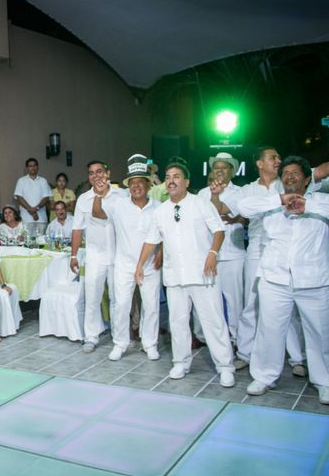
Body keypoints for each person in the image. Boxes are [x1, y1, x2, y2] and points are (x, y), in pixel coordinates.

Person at [135, 162, 236, 388]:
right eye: (168, 177)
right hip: (175, 276)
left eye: (177, 176)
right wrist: (140, 264)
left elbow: (219, 231)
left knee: (213, 322)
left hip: (203, 274)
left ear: (187, 182)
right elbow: (151, 240)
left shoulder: (201, 203)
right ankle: (181, 361)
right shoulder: (160, 211)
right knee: (177, 322)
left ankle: (225, 366)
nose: (171, 180)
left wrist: (212, 253)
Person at [238, 156, 329, 404]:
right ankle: (264, 377)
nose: (289, 176)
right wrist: (280, 199)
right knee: (270, 329)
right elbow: (243, 208)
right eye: (285, 173)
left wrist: (305, 205)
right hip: (274, 278)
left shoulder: (321, 202)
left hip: (313, 280)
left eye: (295, 173)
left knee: (320, 333)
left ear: (307, 179)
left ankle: (325, 382)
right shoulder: (271, 203)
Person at [218, 146, 307, 376]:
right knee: (252, 303)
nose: (278, 161)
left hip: (283, 251)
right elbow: (226, 209)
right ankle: (245, 354)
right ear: (259, 163)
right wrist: (215, 195)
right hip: (256, 251)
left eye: (278, 157)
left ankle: (296, 357)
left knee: (288, 304)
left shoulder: (286, 183)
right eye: (272, 158)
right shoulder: (248, 190)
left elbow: (316, 176)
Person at [94, 154, 162, 361]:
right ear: (128, 186)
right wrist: (98, 195)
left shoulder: (158, 207)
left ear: (148, 185)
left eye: (141, 182)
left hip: (150, 266)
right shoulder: (119, 205)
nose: (136, 186)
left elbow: (165, 233)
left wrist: (162, 252)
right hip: (124, 265)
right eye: (133, 183)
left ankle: (149, 343)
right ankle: (120, 343)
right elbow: (98, 213)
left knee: (151, 306)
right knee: (122, 305)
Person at [71, 160, 125, 353]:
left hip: (119, 255)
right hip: (94, 255)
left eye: (99, 171)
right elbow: (77, 229)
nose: (96, 176)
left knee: (117, 299)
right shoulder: (83, 199)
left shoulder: (121, 195)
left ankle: (119, 338)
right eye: (92, 173)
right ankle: (91, 337)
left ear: (107, 173)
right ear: (89, 177)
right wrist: (73, 255)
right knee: (92, 297)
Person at [199, 152, 246, 348]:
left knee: (235, 302)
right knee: (209, 303)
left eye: (224, 167)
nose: (219, 170)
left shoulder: (240, 193)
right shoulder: (202, 193)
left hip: (232, 255)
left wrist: (216, 197)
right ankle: (208, 339)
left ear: (232, 172)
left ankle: (237, 340)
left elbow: (219, 211)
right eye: (216, 167)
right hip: (207, 256)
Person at [14, 158, 52, 224]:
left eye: (34, 165)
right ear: (27, 168)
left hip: (41, 218)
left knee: (41, 234)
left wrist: (36, 209)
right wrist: (31, 210)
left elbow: (46, 198)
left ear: (37, 167)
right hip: (25, 219)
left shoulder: (43, 181)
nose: (33, 168)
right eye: (30, 166)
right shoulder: (21, 181)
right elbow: (19, 198)